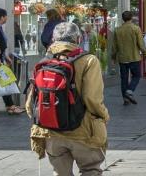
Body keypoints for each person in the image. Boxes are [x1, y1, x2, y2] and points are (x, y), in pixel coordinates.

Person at [28, 21, 110, 176]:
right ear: (78, 39)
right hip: (82, 130)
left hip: (52, 131)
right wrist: (104, 115)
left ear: (53, 40)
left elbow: (31, 101)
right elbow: (92, 99)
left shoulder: (44, 62)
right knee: (90, 170)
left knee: (60, 173)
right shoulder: (89, 61)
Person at [107, 11, 144, 106]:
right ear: (131, 17)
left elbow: (114, 46)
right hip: (134, 57)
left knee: (124, 78)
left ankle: (125, 99)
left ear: (123, 18)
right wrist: (145, 53)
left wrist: (113, 57)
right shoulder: (136, 29)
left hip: (122, 58)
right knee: (136, 75)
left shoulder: (118, 30)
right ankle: (130, 91)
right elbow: (140, 44)